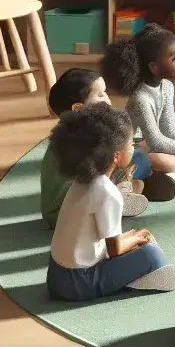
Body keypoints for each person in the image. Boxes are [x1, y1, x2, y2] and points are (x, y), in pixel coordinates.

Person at [46, 103, 175, 300]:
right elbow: (114, 250)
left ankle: (129, 274)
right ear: (116, 155)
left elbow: (100, 242)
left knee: (137, 240)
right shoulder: (108, 193)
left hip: (56, 276)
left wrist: (131, 237)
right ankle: (134, 280)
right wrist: (136, 239)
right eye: (130, 145)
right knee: (151, 254)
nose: (133, 148)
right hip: (78, 282)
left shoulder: (82, 180)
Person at [100, 26, 175, 204]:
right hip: (136, 151)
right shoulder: (140, 97)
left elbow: (170, 129)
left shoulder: (166, 86)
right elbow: (155, 141)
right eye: (174, 59)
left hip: (156, 144)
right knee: (157, 159)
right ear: (154, 67)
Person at [40, 67, 148, 227]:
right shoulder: (84, 137)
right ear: (78, 108)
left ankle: (126, 190)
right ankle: (119, 197)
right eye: (100, 95)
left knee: (138, 160)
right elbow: (103, 170)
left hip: (60, 208)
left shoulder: (68, 131)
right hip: (68, 212)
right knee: (135, 163)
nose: (108, 99)